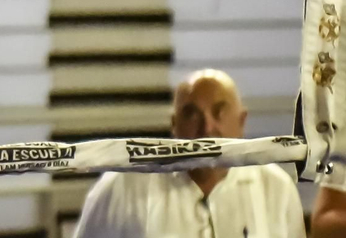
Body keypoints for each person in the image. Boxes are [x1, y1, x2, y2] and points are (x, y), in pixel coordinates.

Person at [75, 69, 302, 237]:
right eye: (192, 114)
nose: (207, 128)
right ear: (174, 125)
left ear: (242, 123)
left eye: (219, 113)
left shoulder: (276, 188)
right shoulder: (123, 186)